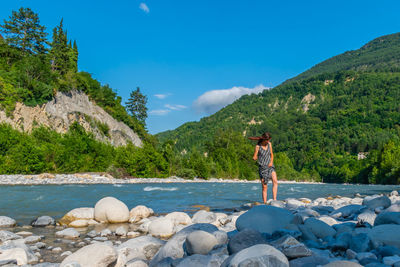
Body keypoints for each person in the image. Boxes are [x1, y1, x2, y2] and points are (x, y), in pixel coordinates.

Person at [250, 132, 278, 204]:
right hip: (262, 167)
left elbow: (271, 154)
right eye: (267, 140)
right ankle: (265, 202)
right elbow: (255, 156)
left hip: (270, 165)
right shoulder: (258, 146)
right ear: (264, 139)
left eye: (269, 140)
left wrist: (271, 162)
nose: (268, 141)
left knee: (275, 181)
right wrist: (254, 157)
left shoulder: (269, 144)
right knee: (264, 187)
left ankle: (274, 200)